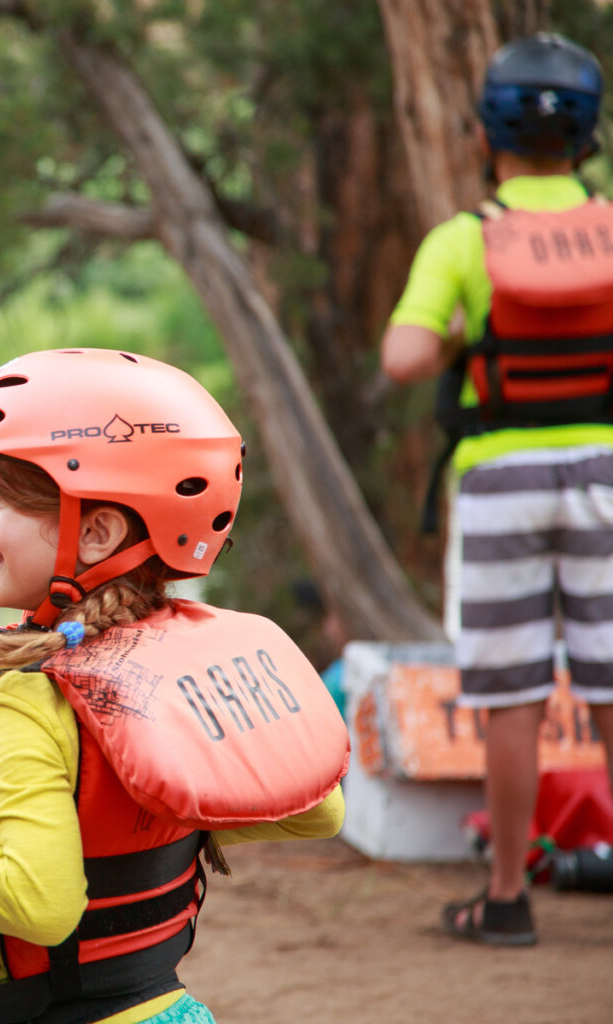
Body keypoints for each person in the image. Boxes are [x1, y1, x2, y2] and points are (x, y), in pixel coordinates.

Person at [0, 349, 348, 1024]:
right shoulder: (169, 661)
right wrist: (151, 814)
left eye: (1, 498)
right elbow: (317, 808)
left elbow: (42, 905)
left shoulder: (18, 700)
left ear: (96, 532)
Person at [380, 32, 613, 947]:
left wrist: (458, 339)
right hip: (606, 475)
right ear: (588, 139)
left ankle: (509, 897)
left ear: (487, 138)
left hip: (500, 481)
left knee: (513, 698)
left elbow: (403, 358)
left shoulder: (464, 239)